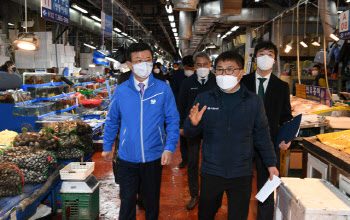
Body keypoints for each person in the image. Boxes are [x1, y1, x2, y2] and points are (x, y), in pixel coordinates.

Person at [184, 50, 279, 220]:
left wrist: (271, 163)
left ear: (241, 73)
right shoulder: (205, 98)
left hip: (241, 172)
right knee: (206, 214)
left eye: (229, 69)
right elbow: (191, 134)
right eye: (220, 69)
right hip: (211, 170)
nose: (224, 73)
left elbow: (262, 135)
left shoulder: (253, 101)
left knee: (238, 215)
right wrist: (193, 123)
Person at [102, 43, 180, 220]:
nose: (144, 64)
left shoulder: (163, 89)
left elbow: (173, 120)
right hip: (126, 157)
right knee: (127, 201)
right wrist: (107, 146)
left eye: (148, 60)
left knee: (151, 202)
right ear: (129, 65)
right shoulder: (121, 91)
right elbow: (113, 119)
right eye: (138, 61)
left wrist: (169, 148)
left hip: (154, 157)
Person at [241, 41, 293, 220]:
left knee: (267, 186)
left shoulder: (281, 87)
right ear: (255, 57)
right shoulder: (243, 82)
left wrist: (287, 138)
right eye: (262, 53)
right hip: (243, 141)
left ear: (275, 59)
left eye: (270, 54)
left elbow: (286, 116)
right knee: (241, 184)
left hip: (269, 143)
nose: (266, 57)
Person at [178, 52, 216, 210]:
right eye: (198, 65)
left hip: (213, 127)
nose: (202, 67)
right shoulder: (187, 83)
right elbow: (180, 105)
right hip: (192, 127)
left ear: (210, 65)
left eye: (205, 64)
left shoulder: (216, 81)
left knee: (212, 161)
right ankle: (195, 195)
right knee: (193, 162)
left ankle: (210, 195)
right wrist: (181, 126)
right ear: (194, 66)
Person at [170, 56, 195, 169]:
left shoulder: (198, 77)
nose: (190, 69)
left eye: (192, 67)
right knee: (183, 134)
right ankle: (185, 159)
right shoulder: (177, 76)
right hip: (181, 109)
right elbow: (173, 92)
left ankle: (195, 160)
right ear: (183, 66)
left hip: (196, 109)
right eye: (187, 67)